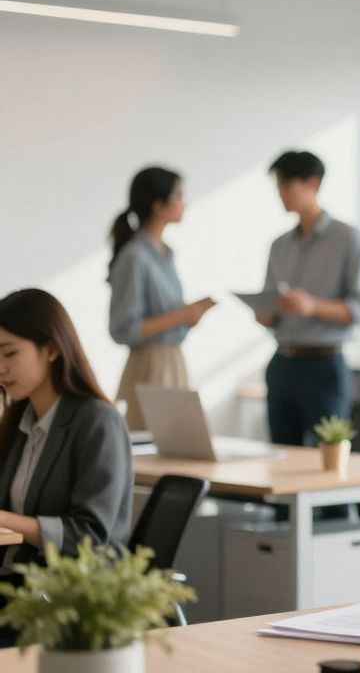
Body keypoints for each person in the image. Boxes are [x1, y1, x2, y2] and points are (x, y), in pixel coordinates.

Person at [0, 289, 133, 647]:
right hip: (19, 583)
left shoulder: (97, 422)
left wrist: (5, 520)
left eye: (10, 353)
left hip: (68, 594)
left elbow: (89, 535)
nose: (0, 368)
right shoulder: (21, 422)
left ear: (52, 350)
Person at [255, 150, 360, 446]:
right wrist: (266, 313)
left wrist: (312, 306)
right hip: (281, 363)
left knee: (328, 459)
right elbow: (270, 305)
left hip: (324, 366)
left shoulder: (348, 239)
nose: (280, 194)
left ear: (312, 183)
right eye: (278, 187)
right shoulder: (278, 245)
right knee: (281, 457)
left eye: (285, 186)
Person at [108, 166, 215, 430]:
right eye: (178, 196)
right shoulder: (135, 257)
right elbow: (124, 329)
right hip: (150, 368)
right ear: (158, 205)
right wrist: (180, 315)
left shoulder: (165, 253)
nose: (183, 203)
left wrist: (188, 319)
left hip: (172, 362)